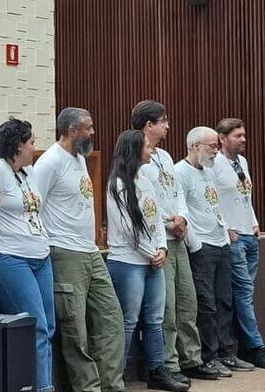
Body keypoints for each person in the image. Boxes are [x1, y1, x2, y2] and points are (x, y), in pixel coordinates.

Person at [34, 107, 125, 392]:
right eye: (88, 127)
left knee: (111, 319)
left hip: (91, 251)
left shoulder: (80, 158)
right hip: (64, 252)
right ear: (72, 130)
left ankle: (112, 385)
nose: (93, 132)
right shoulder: (50, 161)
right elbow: (33, 205)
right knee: (75, 329)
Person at [132, 101, 217, 384]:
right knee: (166, 307)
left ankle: (191, 358)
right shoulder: (137, 155)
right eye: (163, 121)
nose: (168, 126)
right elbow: (145, 201)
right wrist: (170, 224)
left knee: (187, 301)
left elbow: (177, 192)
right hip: (160, 240)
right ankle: (169, 363)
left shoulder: (165, 156)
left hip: (178, 237)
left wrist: (182, 217)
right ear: (149, 125)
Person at [106, 130, 189, 392]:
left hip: (153, 259)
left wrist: (162, 247)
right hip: (128, 261)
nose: (151, 150)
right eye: (146, 147)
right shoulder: (118, 185)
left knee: (155, 318)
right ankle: (116, 376)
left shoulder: (144, 179)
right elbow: (128, 229)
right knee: (128, 320)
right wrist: (152, 252)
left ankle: (157, 370)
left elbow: (156, 219)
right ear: (134, 150)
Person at [0, 117, 55, 392]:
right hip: (8, 256)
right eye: (31, 142)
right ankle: (42, 388)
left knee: (49, 327)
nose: (34, 147)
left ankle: (43, 383)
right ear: (17, 145)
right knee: (34, 326)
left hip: (40, 256)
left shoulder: (27, 171)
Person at [212, 118, 265, 369]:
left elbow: (245, 196)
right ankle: (255, 348)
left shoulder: (242, 162)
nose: (243, 139)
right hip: (232, 238)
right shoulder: (215, 164)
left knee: (244, 294)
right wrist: (225, 227)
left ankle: (240, 345)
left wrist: (254, 222)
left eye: (244, 135)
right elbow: (211, 200)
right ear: (222, 138)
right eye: (237, 136)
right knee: (243, 292)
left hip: (249, 234)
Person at [175, 126, 247, 377]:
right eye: (212, 146)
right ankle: (208, 356)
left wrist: (226, 232)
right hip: (202, 246)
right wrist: (195, 244)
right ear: (195, 146)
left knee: (225, 301)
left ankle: (227, 353)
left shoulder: (209, 170)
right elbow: (181, 210)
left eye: (217, 146)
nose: (217, 151)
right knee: (206, 304)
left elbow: (215, 204)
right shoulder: (180, 172)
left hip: (220, 242)